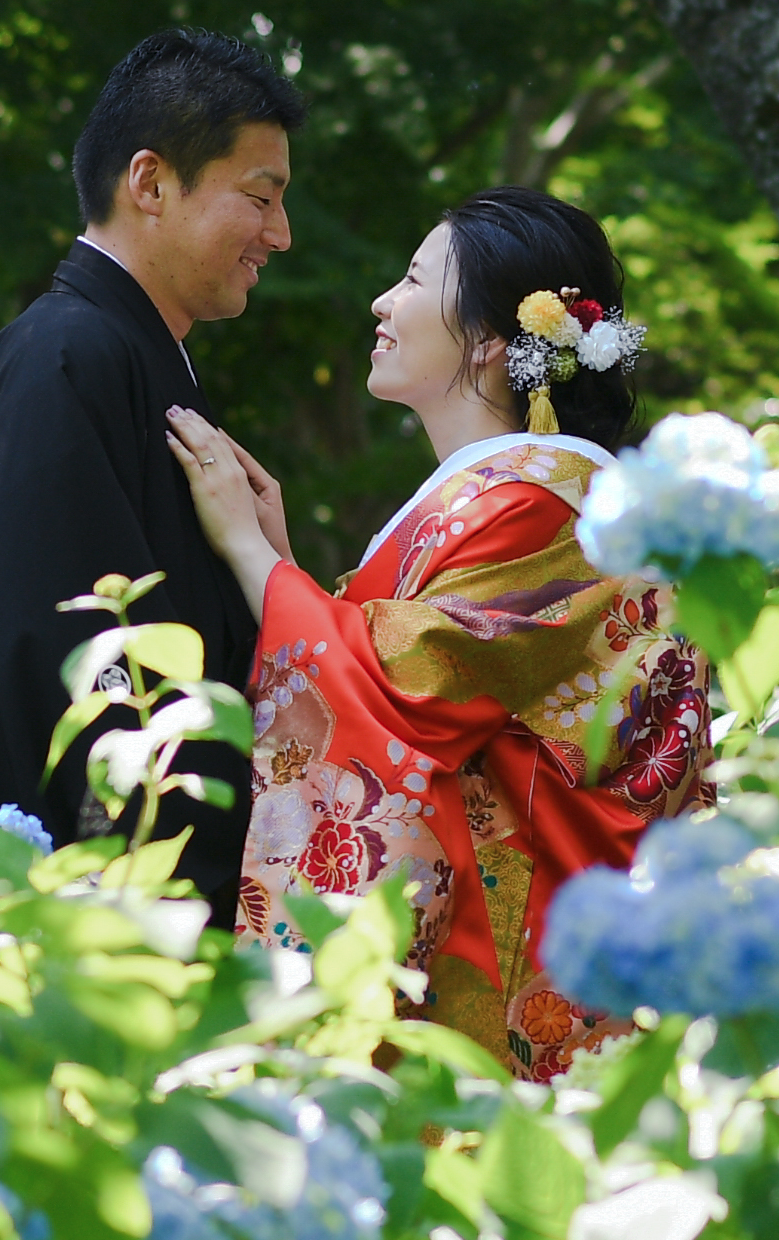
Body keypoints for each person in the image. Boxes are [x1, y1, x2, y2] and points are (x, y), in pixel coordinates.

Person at [165, 187, 716, 1079]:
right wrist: (285, 563)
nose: (383, 302)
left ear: (493, 339)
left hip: (530, 953)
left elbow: (411, 684)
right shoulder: (508, 493)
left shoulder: (545, 501)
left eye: (416, 279)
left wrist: (248, 555)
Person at [0, 27, 305, 902]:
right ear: (150, 183)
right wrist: (174, 890)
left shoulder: (128, 353)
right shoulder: (65, 356)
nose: (281, 234)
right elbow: (82, 657)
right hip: (112, 906)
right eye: (260, 197)